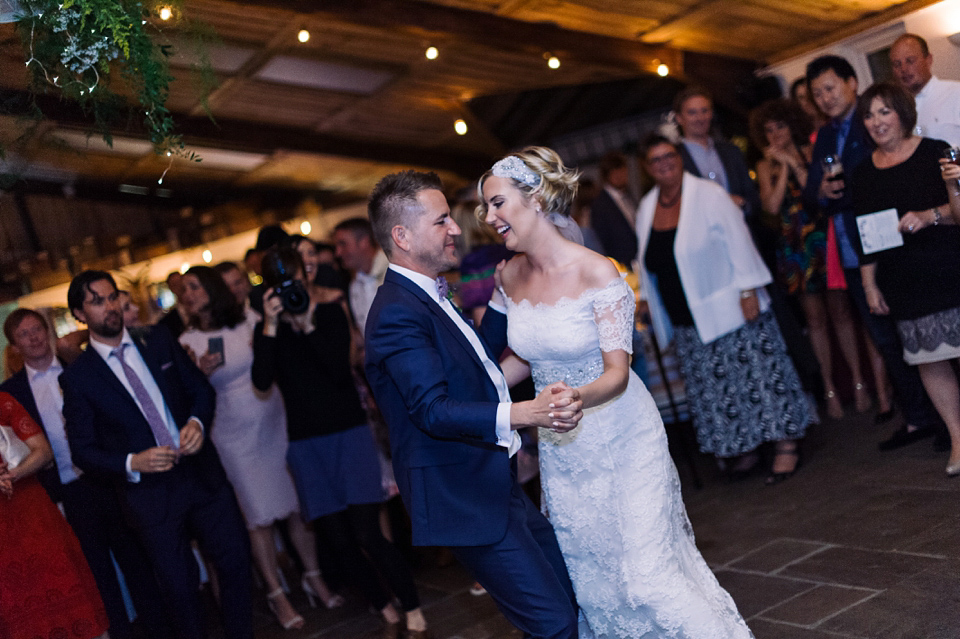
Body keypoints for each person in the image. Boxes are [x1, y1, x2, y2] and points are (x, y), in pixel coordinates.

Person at [478, 147, 753, 637]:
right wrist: (483, 397)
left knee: (647, 577)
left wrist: (572, 400)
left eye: (497, 202)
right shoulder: (509, 275)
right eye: (486, 207)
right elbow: (526, 355)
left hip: (622, 434)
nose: (489, 216)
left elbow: (617, 374)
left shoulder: (599, 272)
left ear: (536, 198)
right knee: (596, 579)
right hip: (564, 450)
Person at [364, 170, 581, 639]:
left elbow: (472, 368)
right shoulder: (396, 313)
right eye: (442, 220)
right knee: (556, 623)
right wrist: (528, 413)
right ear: (402, 236)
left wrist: (500, 303)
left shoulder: (429, 295)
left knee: (566, 596)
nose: (457, 229)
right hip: (460, 497)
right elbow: (433, 409)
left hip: (490, 483)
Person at [60, 270, 255, 639]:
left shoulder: (158, 339)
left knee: (235, 562)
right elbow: (82, 451)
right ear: (79, 314)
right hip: (150, 496)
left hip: (200, 473)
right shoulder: (78, 377)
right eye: (97, 301)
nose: (109, 306)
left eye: (112, 296)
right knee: (180, 590)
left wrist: (197, 422)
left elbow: (200, 390)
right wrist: (133, 462)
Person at [252, 247, 428, 639]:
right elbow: (261, 382)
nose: (290, 288)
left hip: (348, 434)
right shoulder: (268, 328)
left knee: (367, 533)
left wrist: (307, 322)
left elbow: (336, 370)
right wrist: (269, 324)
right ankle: (384, 605)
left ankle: (413, 605)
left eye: (295, 278)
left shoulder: (330, 312)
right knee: (338, 540)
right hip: (305, 444)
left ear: (306, 275)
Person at [637, 133, 811, 483]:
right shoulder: (646, 206)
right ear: (647, 167)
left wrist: (749, 289)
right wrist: (645, 298)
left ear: (680, 157)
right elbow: (647, 261)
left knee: (759, 378)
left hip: (732, 305)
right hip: (686, 319)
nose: (664, 163)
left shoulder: (707, 194)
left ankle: (785, 446)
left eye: (669, 155)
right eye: (656, 160)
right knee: (719, 390)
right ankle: (744, 448)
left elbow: (739, 238)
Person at [178, 266, 342, 630]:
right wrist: (197, 374)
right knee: (258, 517)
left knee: (296, 505)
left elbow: (275, 355)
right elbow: (187, 397)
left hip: (273, 417)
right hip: (233, 431)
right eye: (184, 290)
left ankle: (313, 576)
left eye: (194, 286)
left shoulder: (248, 318)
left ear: (211, 288)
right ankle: (276, 595)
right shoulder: (187, 340)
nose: (188, 294)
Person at [804, 54, 945, 451]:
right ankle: (920, 417)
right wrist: (823, 191)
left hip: (902, 242)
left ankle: (938, 419)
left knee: (922, 336)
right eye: (817, 94)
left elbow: (885, 179)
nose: (825, 98)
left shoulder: (877, 125)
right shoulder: (826, 136)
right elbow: (814, 189)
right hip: (856, 248)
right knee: (888, 338)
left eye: (830, 87)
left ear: (851, 82)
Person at [1, 309, 170, 639]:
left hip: (107, 480)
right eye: (25, 334)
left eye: (39, 329)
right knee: (96, 576)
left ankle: (161, 632)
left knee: (137, 565)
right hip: (66, 493)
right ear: (14, 345)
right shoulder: (13, 391)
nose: (35, 337)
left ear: (49, 331)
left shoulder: (81, 369)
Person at [851, 82, 960, 476]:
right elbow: (865, 236)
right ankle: (958, 440)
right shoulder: (862, 175)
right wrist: (868, 283)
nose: (876, 121)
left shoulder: (935, 151)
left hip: (950, 265)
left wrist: (930, 215)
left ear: (902, 113)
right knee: (930, 361)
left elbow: (959, 208)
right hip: (902, 279)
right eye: (869, 114)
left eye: (884, 111)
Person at [751, 98, 877, 420]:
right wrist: (781, 168)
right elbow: (770, 207)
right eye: (768, 130)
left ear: (792, 124)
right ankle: (830, 390)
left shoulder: (812, 151)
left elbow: (818, 191)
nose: (776, 134)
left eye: (780, 126)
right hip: (794, 245)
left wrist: (794, 163)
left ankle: (861, 383)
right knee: (816, 320)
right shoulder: (765, 166)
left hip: (824, 237)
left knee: (842, 312)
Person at [0, 392, 109, 639]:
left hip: (31, 512)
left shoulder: (3, 402)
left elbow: (43, 451)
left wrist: (14, 474)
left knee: (60, 585)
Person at [673, 85, 761, 218]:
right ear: (679, 118)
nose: (700, 118)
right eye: (692, 112)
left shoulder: (731, 151)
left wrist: (743, 204)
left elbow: (753, 199)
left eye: (704, 111)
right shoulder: (674, 159)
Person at [889, 33, 960, 147]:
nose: (903, 69)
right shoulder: (893, 109)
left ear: (928, 60)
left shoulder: (955, 93)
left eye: (910, 61)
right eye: (897, 64)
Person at [333, 217, 390, 333]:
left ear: (363, 242)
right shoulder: (355, 285)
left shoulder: (394, 271)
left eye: (343, 244)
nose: (337, 253)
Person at [589, 151, 639, 266]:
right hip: (621, 263)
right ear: (607, 175)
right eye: (615, 172)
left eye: (622, 170)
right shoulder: (600, 204)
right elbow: (601, 240)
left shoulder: (627, 195)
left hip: (636, 258)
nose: (620, 175)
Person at [157, 271, 187, 338]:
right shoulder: (167, 321)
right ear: (171, 289)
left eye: (181, 282)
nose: (180, 287)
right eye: (175, 284)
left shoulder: (201, 308)